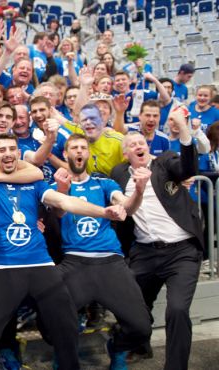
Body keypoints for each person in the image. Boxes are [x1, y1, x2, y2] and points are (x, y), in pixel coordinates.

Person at [0, 133, 127, 370]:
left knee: (66, 326)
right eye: (1, 150)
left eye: (12, 149)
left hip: (41, 265)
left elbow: (65, 202)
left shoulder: (33, 183)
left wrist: (104, 212)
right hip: (4, 267)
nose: (8, 154)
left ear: (18, 153)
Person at [110, 109, 204, 370]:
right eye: (131, 145)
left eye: (141, 142)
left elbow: (186, 167)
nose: (138, 146)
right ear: (125, 153)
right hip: (144, 252)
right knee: (131, 306)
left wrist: (183, 128)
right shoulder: (119, 174)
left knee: (176, 310)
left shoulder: (164, 161)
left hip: (182, 251)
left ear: (147, 146)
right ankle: (138, 343)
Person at [52, 133, 153, 369]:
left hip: (110, 261)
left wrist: (138, 190)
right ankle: (65, 348)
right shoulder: (55, 186)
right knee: (50, 323)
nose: (79, 151)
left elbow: (126, 205)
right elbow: (58, 213)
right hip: (74, 261)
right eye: (73, 148)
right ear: (65, 154)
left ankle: (117, 348)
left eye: (83, 148)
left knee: (141, 328)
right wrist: (62, 190)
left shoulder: (104, 183)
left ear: (88, 154)